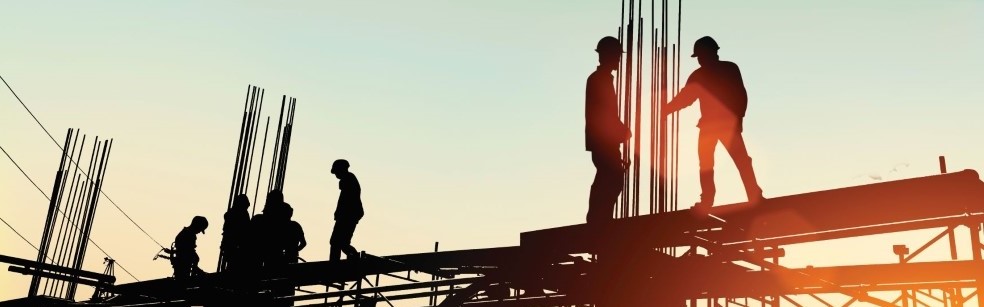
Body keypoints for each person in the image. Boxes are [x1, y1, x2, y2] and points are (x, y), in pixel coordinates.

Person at [663, 36, 764, 214]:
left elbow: (740, 95)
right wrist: (667, 109)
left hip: (724, 125)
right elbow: (686, 98)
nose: (700, 60)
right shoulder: (701, 75)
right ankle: (710, 199)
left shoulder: (726, 69)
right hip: (711, 126)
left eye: (701, 56)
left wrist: (738, 118)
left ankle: (752, 195)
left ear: (711, 53)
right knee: (709, 163)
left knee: (738, 161)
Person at [584, 36, 632, 224]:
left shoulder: (602, 79)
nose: (618, 60)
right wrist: (622, 131)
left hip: (605, 142)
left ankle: (600, 220)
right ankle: (598, 221)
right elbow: (603, 113)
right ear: (607, 56)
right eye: (616, 56)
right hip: (603, 141)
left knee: (610, 179)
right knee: (611, 180)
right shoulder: (599, 80)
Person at [329, 159, 363, 261]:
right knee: (340, 242)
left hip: (348, 216)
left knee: (337, 242)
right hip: (348, 215)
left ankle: (336, 264)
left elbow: (346, 201)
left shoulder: (348, 181)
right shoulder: (349, 180)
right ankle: (351, 259)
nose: (336, 175)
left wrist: (340, 214)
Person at [220, 194, 251, 271]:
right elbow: (244, 231)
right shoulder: (241, 214)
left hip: (230, 245)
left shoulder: (231, 214)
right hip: (236, 246)